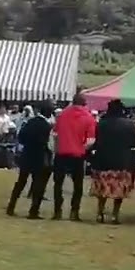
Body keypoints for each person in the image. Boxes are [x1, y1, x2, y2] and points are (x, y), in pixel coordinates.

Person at [87, 99, 135, 225]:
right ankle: (115, 215)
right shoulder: (129, 124)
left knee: (103, 188)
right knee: (119, 190)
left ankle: (100, 213)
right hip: (122, 160)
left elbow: (97, 140)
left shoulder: (102, 123)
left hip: (103, 160)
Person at [52, 93, 97, 221]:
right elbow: (90, 140)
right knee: (77, 185)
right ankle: (74, 211)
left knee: (58, 184)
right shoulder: (89, 117)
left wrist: (57, 148)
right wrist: (83, 148)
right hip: (78, 155)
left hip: (61, 153)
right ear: (84, 103)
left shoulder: (62, 115)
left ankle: (57, 211)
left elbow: (55, 134)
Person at [7, 102, 56, 219]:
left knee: (21, 182)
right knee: (38, 184)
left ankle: (11, 206)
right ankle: (33, 211)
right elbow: (49, 145)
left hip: (27, 155)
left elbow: (21, 137)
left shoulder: (30, 122)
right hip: (40, 157)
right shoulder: (47, 126)